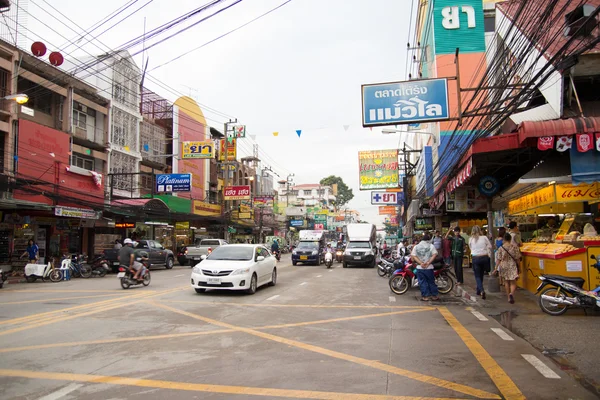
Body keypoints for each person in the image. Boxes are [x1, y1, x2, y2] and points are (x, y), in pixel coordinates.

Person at [410, 233, 440, 301]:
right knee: (431, 282)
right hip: (429, 268)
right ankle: (434, 296)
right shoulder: (431, 246)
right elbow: (434, 254)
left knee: (422, 282)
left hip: (420, 268)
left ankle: (425, 297)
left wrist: (420, 263)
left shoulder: (416, 246)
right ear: (428, 240)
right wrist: (428, 262)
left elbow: (414, 256)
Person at [495, 233, 521, 304]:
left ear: (504, 239)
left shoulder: (501, 248)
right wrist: (519, 267)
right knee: (513, 282)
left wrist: (495, 268)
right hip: (512, 265)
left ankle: (508, 298)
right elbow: (517, 258)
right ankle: (511, 293)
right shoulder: (515, 247)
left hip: (504, 265)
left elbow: (498, 259)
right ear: (510, 239)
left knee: (506, 282)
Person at [469, 225, 492, 300]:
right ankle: (478, 290)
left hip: (476, 258)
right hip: (484, 257)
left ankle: (481, 290)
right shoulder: (484, 237)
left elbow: (471, 248)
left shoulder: (471, 239)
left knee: (477, 276)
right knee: (481, 274)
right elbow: (490, 246)